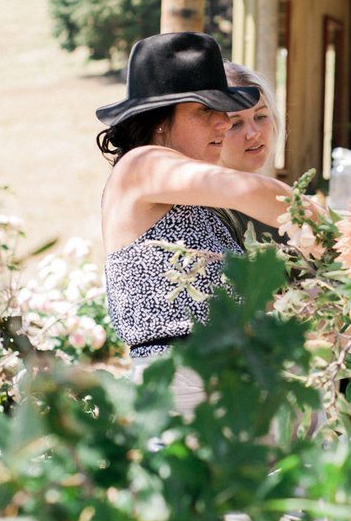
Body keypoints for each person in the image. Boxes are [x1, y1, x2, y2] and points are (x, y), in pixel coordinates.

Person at [97, 32, 291, 414]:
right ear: (158, 119)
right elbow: (248, 190)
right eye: (206, 110)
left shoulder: (195, 199)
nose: (223, 123)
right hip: (181, 386)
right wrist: (346, 234)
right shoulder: (141, 164)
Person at [215, 61, 285, 245]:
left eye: (260, 116)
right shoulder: (210, 214)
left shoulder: (277, 196)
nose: (254, 133)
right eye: (235, 124)